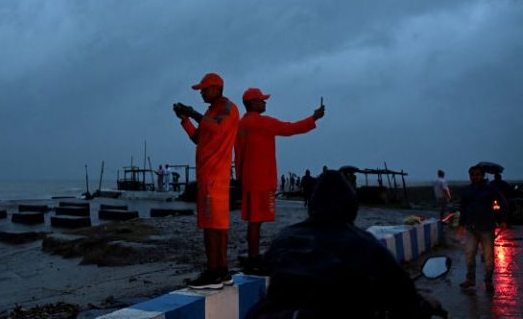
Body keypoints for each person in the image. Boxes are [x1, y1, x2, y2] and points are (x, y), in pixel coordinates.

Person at [246, 170, 443, 319]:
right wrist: (425, 305)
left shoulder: (286, 236)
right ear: (351, 204)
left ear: (313, 203)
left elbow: (266, 266)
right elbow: (404, 295)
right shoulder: (366, 244)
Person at [234, 88, 324, 270]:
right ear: (253, 103)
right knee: (256, 221)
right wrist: (313, 118)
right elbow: (290, 128)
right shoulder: (263, 123)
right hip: (262, 180)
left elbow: (238, 155)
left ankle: (253, 255)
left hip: (249, 180)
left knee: (253, 220)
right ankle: (253, 258)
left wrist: (240, 178)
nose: (265, 103)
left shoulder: (241, 125)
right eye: (261, 100)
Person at [173, 72, 240, 289]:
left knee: (211, 226)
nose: (201, 92)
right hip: (211, 175)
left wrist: (192, 113)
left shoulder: (227, 108)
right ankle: (222, 271)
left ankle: (213, 273)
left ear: (216, 88)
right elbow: (197, 138)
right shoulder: (212, 111)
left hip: (214, 176)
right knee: (217, 226)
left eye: (204, 89)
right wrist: (185, 120)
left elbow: (218, 127)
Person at [459, 165, 508, 292]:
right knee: (469, 254)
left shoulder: (490, 189)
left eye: (477, 174)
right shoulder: (467, 190)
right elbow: (463, 208)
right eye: (472, 175)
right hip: (471, 228)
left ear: (482, 175)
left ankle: (488, 281)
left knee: (488, 257)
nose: (475, 177)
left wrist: (502, 220)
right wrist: (461, 225)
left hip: (487, 228)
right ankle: (470, 279)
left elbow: (503, 203)